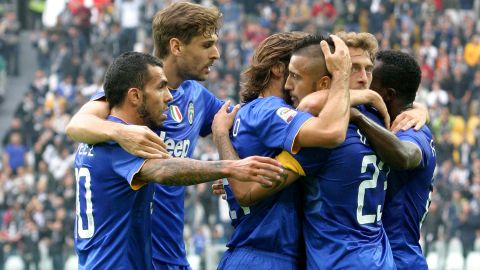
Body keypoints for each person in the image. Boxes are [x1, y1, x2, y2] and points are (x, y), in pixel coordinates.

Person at [74, 51, 284, 269]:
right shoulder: (123, 140)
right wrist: (231, 167)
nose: (169, 96)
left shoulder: (99, 133)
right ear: (135, 96)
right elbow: (164, 170)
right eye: (160, 88)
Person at [66, 3, 225, 269]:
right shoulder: (133, 92)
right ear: (176, 46)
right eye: (206, 45)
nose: (216, 54)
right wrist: (122, 133)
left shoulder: (197, 96)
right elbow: (76, 124)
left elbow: (237, 123)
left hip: (172, 256)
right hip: (135, 257)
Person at [211, 32, 357, 269]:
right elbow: (331, 132)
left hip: (244, 252)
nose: (291, 84)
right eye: (293, 73)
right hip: (269, 257)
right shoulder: (271, 110)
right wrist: (346, 80)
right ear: (280, 69)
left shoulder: (249, 112)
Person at [349, 50, 437, 269]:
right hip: (380, 254)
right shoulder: (392, 125)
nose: (365, 84)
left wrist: (359, 119)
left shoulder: (413, 132)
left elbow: (407, 156)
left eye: (372, 79)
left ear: (388, 94)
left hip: (401, 257)